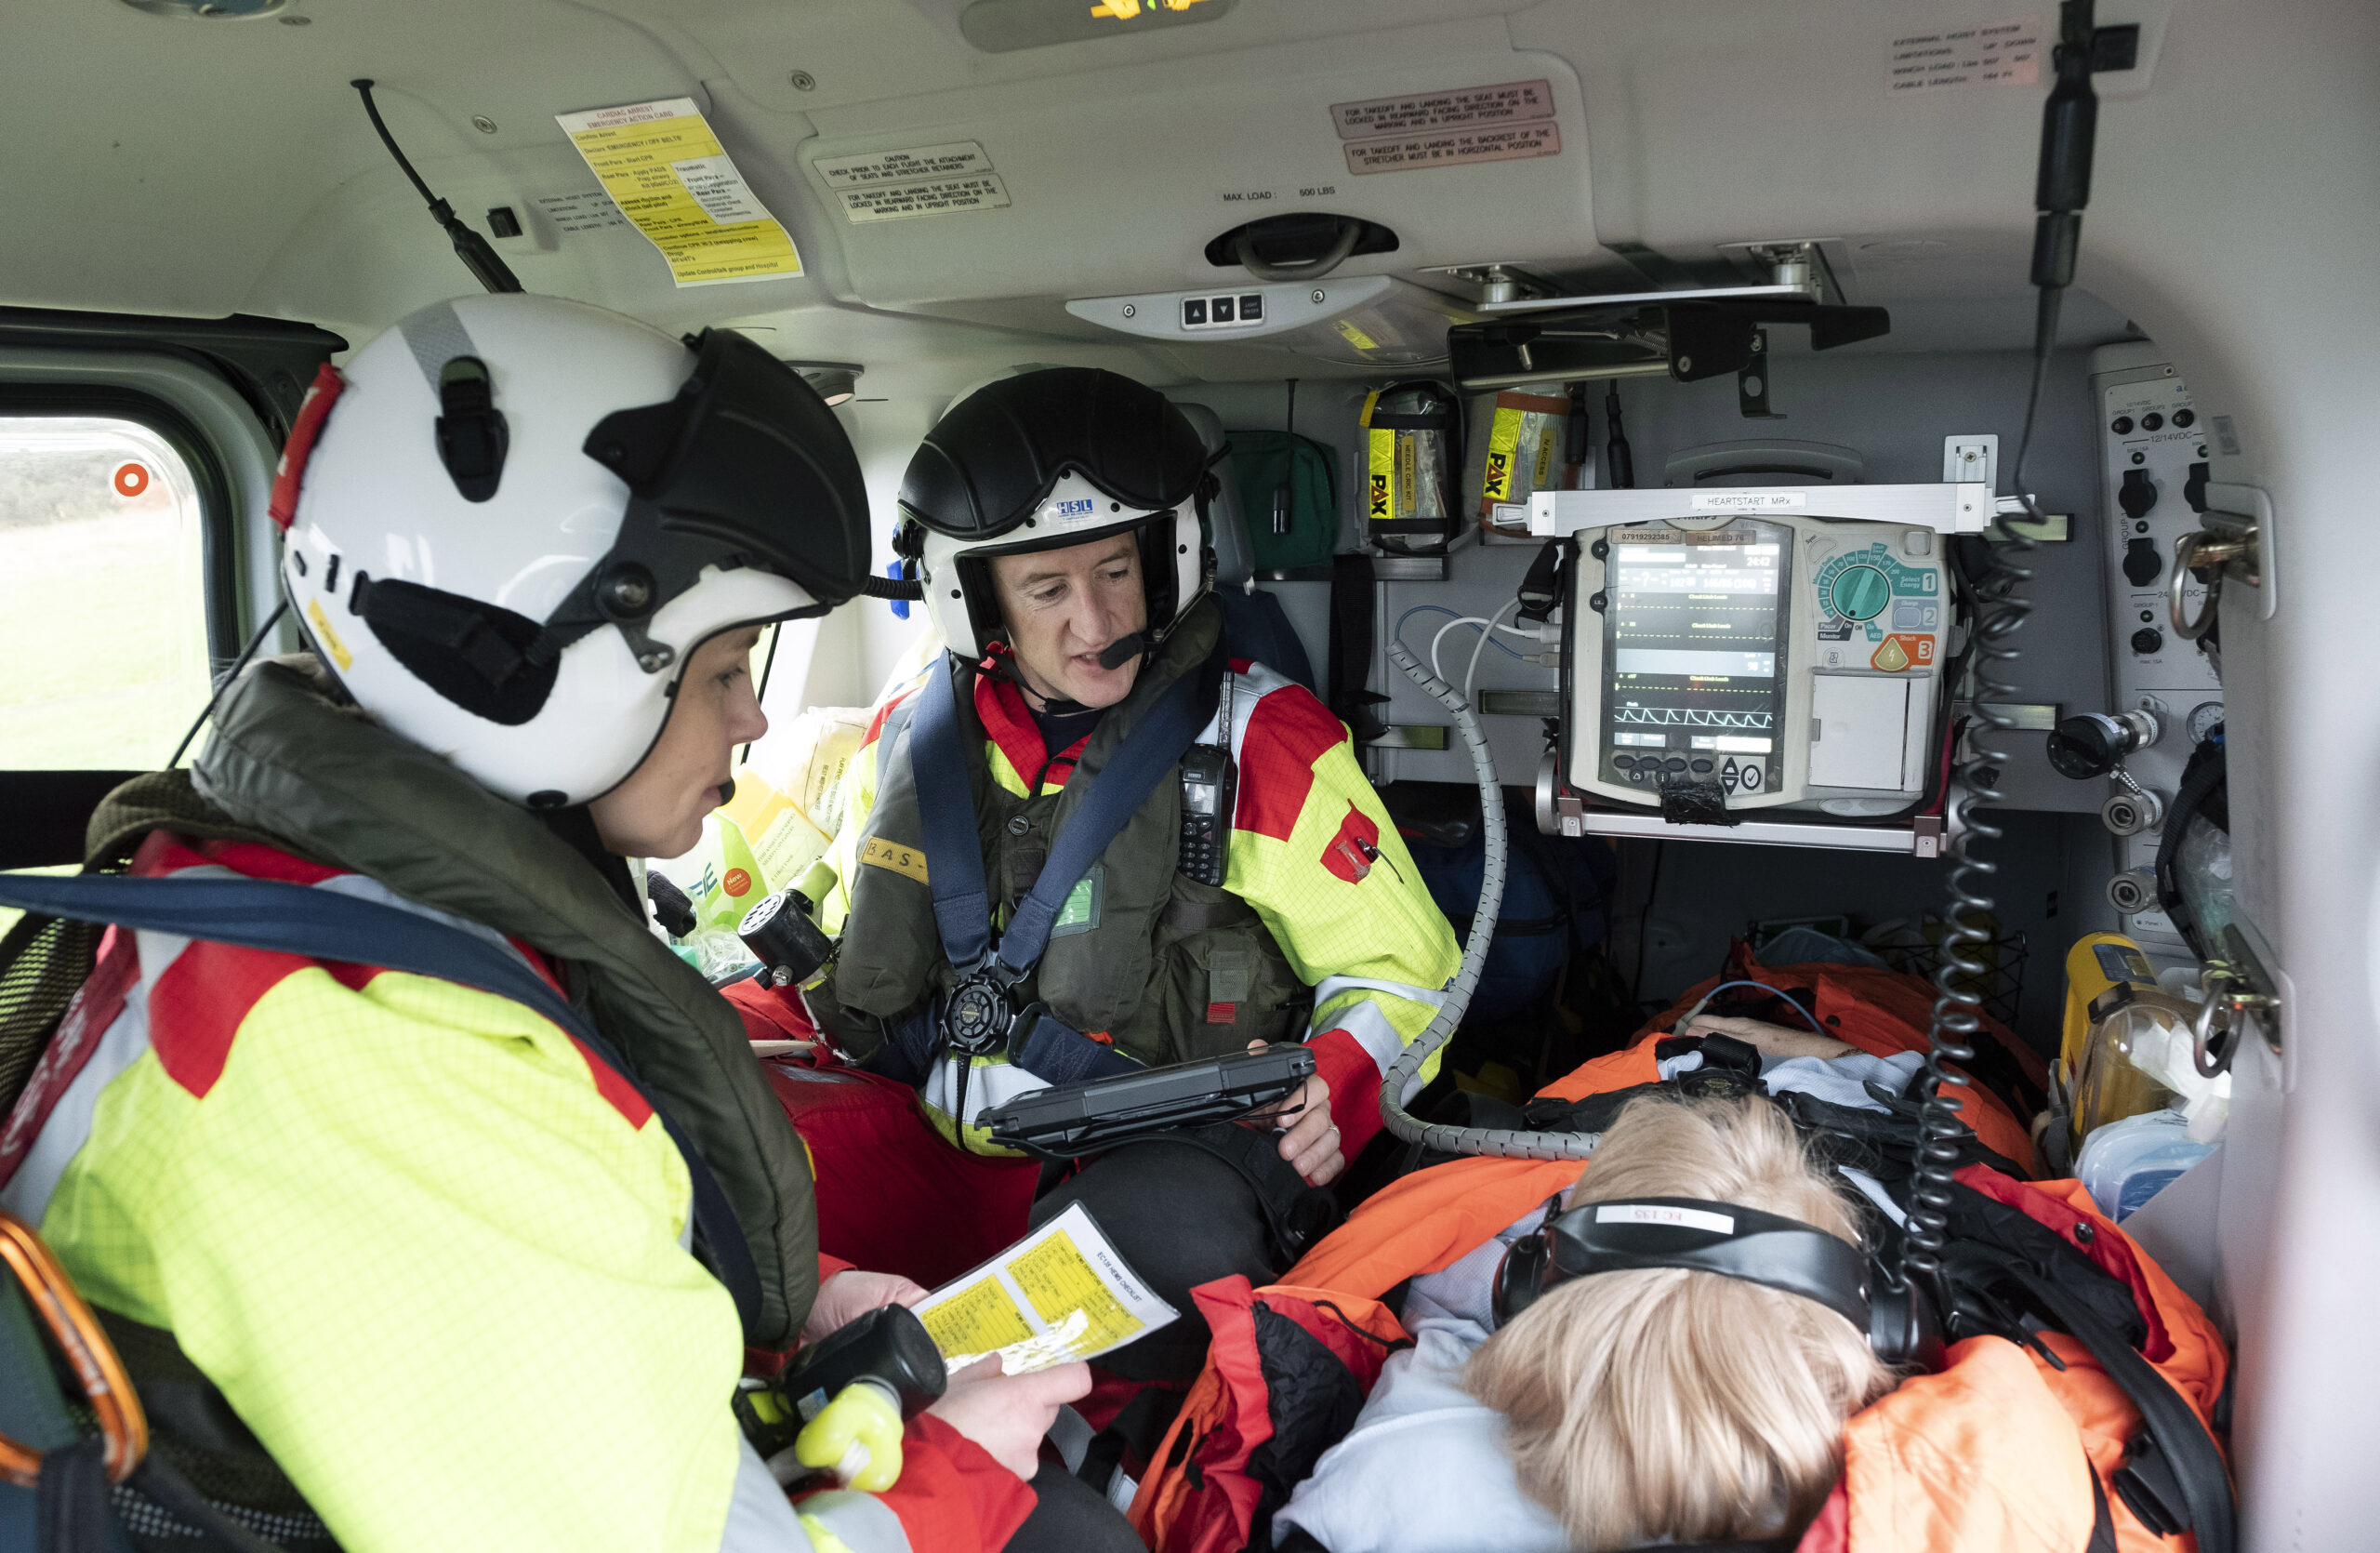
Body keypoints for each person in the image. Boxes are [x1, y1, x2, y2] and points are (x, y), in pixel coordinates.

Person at [0, 294, 1100, 1553]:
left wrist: (795, 1310)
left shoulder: (277, 904)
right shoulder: (385, 1070)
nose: (752, 721)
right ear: (542, 676)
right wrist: (962, 1464)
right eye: (727, 669)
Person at [737, 367, 1461, 1377]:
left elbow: (1410, 969)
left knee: (1158, 1257)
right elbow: (848, 906)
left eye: (1116, 570)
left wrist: (1340, 1080)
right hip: (934, 1125)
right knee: (713, 1166)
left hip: (1151, 1156)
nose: (1095, 620)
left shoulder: (1261, 741)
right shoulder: (909, 733)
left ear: (1167, 560)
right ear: (975, 594)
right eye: (1047, 587)